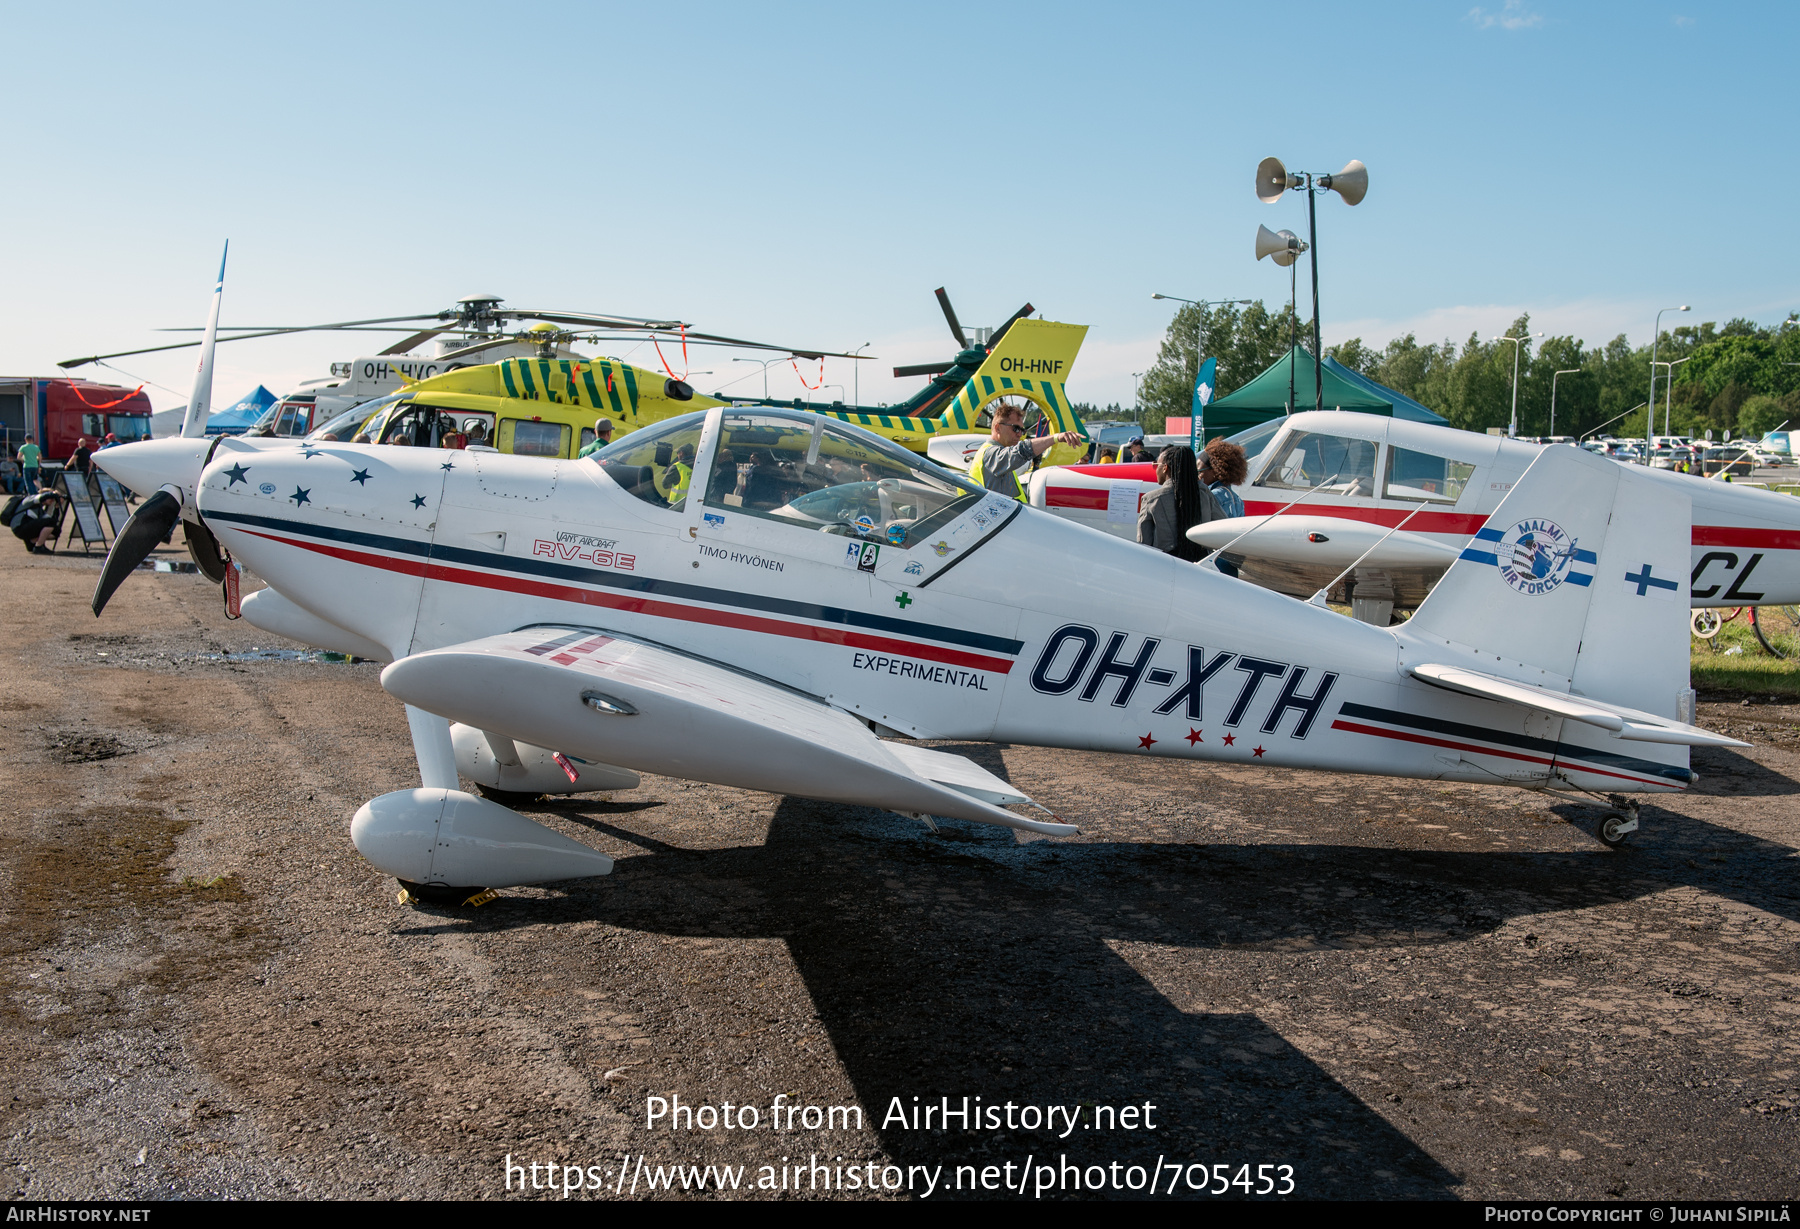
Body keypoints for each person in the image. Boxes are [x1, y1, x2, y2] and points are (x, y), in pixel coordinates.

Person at [970, 405, 1081, 501]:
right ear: (998, 428)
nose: (1020, 434)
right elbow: (1021, 451)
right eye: (1016, 429)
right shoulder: (991, 453)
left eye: (1022, 430)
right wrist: (1056, 438)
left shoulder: (996, 454)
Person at [1137, 445, 1219, 562]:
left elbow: (1143, 544)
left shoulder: (1151, 499)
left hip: (1164, 565)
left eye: (1156, 465)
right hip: (1200, 565)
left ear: (1165, 468)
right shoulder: (1206, 495)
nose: (1155, 470)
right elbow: (1222, 523)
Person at [1199, 437, 1248, 577]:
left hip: (1214, 566)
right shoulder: (1237, 499)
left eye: (1200, 470)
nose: (1198, 475)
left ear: (1214, 470)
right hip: (1230, 567)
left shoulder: (1212, 496)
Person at [6, 488, 64, 554]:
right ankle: (39, 547)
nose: (52, 500)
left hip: (25, 528)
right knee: (50, 522)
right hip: (19, 527)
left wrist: (57, 507)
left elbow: (54, 521)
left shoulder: (40, 510)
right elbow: (42, 497)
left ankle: (32, 542)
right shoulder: (30, 499)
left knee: (56, 530)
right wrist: (53, 494)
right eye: (51, 498)